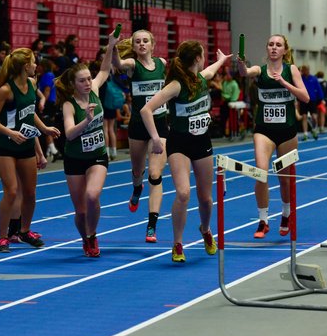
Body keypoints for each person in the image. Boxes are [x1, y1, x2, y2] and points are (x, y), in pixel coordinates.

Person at [141, 42, 230, 262]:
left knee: (206, 199)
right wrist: (155, 138)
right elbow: (146, 109)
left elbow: (211, 70)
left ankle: (206, 229)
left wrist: (222, 60)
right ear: (198, 59)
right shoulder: (176, 85)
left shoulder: (200, 78)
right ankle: (177, 244)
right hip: (179, 143)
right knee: (183, 193)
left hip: (201, 143)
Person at [0, 48, 60, 253]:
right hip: (7, 148)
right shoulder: (6, 90)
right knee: (11, 191)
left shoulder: (32, 83)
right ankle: (3, 237)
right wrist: (9, 133)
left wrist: (44, 129)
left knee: (30, 193)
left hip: (27, 145)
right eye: (34, 63)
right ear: (25, 66)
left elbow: (30, 113)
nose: (37, 66)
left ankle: (24, 230)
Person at [237, 34, 310, 239]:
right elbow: (245, 73)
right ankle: (263, 220)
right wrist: (242, 65)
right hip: (264, 131)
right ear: (267, 48)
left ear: (285, 50)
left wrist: (284, 83)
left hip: (287, 132)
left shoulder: (291, 70)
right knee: (260, 172)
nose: (274, 48)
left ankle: (286, 213)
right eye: (271, 44)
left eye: (278, 45)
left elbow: (305, 97)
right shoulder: (260, 70)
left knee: (285, 179)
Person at [55, 30, 118, 257]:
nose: (88, 83)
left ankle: (92, 235)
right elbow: (70, 134)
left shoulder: (96, 91)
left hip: (97, 156)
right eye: (82, 80)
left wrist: (110, 45)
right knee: (80, 211)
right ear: (73, 84)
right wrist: (88, 121)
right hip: (74, 159)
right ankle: (87, 238)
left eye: (88, 79)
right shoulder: (69, 105)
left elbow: (104, 69)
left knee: (93, 196)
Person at [112, 29, 168, 242]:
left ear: (153, 45)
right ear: (134, 47)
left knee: (155, 173)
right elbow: (117, 65)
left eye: (146, 41)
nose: (142, 44)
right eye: (138, 42)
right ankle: (137, 187)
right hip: (138, 126)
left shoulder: (162, 64)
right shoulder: (133, 66)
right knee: (138, 169)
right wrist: (114, 47)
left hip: (160, 124)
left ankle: (151, 224)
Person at [299, 65, 324, 141]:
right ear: (302, 70)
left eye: (307, 69)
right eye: (304, 70)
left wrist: (321, 98)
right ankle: (305, 134)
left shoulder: (313, 79)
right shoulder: (300, 79)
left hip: (312, 100)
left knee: (314, 117)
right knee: (304, 117)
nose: (306, 71)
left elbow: (319, 89)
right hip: (303, 100)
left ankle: (314, 129)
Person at [221, 66, 241, 137]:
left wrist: (226, 97)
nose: (227, 76)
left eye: (228, 74)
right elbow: (222, 91)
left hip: (232, 103)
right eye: (227, 74)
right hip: (225, 102)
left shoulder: (234, 84)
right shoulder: (225, 83)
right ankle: (223, 133)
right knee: (223, 118)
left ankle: (236, 131)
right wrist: (223, 96)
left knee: (234, 119)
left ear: (232, 76)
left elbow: (234, 97)